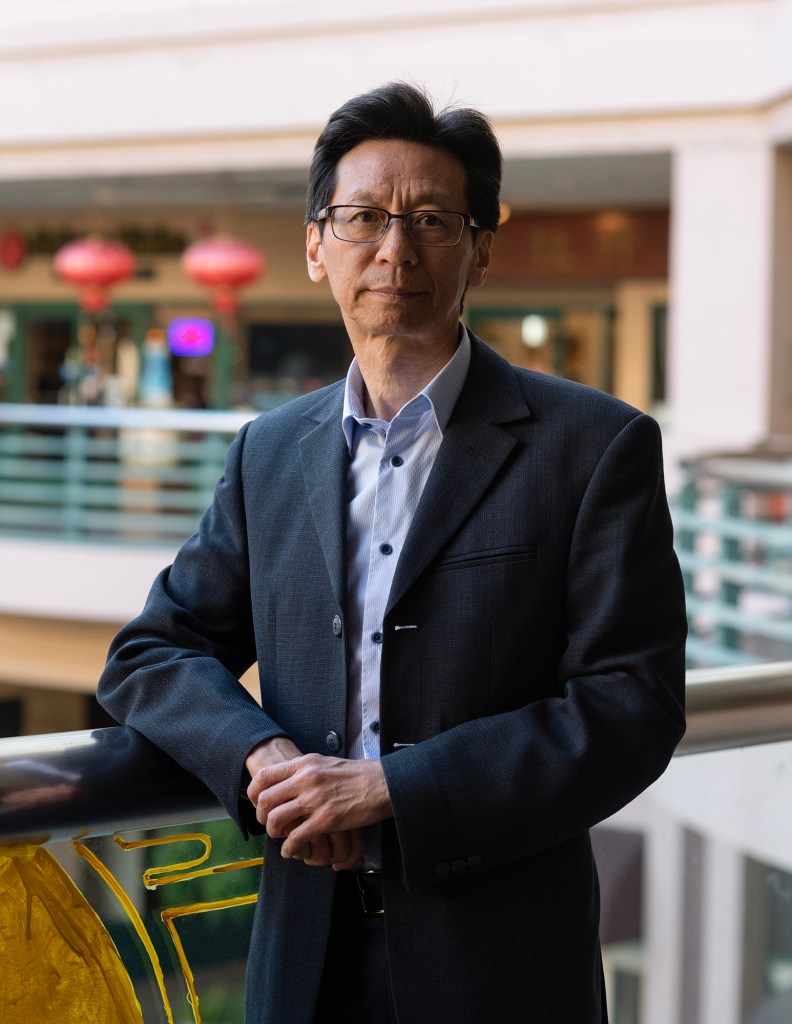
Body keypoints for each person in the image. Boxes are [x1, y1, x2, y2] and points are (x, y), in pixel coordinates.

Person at [98, 82, 687, 1024]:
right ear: (315, 243)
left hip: (498, 962)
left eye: (433, 221)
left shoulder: (593, 446)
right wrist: (265, 764)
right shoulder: (269, 451)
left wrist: (391, 790)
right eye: (363, 216)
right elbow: (152, 653)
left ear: (481, 250)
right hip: (304, 957)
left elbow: (632, 706)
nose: (395, 248)